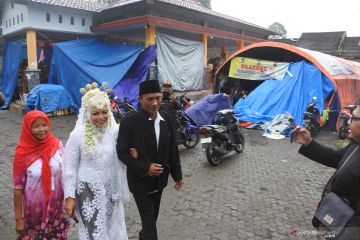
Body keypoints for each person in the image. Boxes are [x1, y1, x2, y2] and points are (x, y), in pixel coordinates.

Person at [117, 80, 183, 240]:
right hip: (140, 182)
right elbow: (122, 153)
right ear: (140, 99)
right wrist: (146, 168)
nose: (155, 103)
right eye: (149, 99)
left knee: (151, 220)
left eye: (158, 98)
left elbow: (173, 149)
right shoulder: (129, 121)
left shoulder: (166, 119)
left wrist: (177, 175)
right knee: (149, 224)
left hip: (159, 181)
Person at [63, 85, 130, 240]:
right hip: (88, 190)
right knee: (94, 232)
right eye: (96, 113)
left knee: (113, 228)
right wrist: (69, 197)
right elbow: (70, 169)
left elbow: (124, 153)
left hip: (111, 188)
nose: (101, 117)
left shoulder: (114, 131)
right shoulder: (77, 135)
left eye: (104, 112)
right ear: (87, 113)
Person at [293, 104, 360, 240]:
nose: (348, 122)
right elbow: (336, 158)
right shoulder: (356, 145)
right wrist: (309, 143)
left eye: (354, 118)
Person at [13, 110, 69, 239]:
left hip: (58, 208)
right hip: (34, 213)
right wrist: (18, 219)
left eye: (44, 125)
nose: (41, 129)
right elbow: (18, 189)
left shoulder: (57, 144)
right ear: (28, 128)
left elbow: (67, 172)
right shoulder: (22, 154)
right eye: (36, 126)